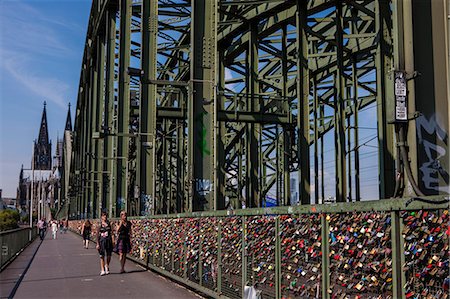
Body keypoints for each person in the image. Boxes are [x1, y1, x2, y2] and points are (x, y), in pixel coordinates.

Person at [96, 211, 114, 276]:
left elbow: (112, 233)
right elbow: (97, 234)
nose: (105, 217)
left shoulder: (109, 223)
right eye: (103, 215)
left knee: (109, 255)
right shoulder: (99, 224)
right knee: (102, 256)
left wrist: (113, 241)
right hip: (102, 241)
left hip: (108, 240)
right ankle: (102, 269)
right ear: (101, 217)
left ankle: (107, 265)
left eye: (106, 215)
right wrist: (97, 243)